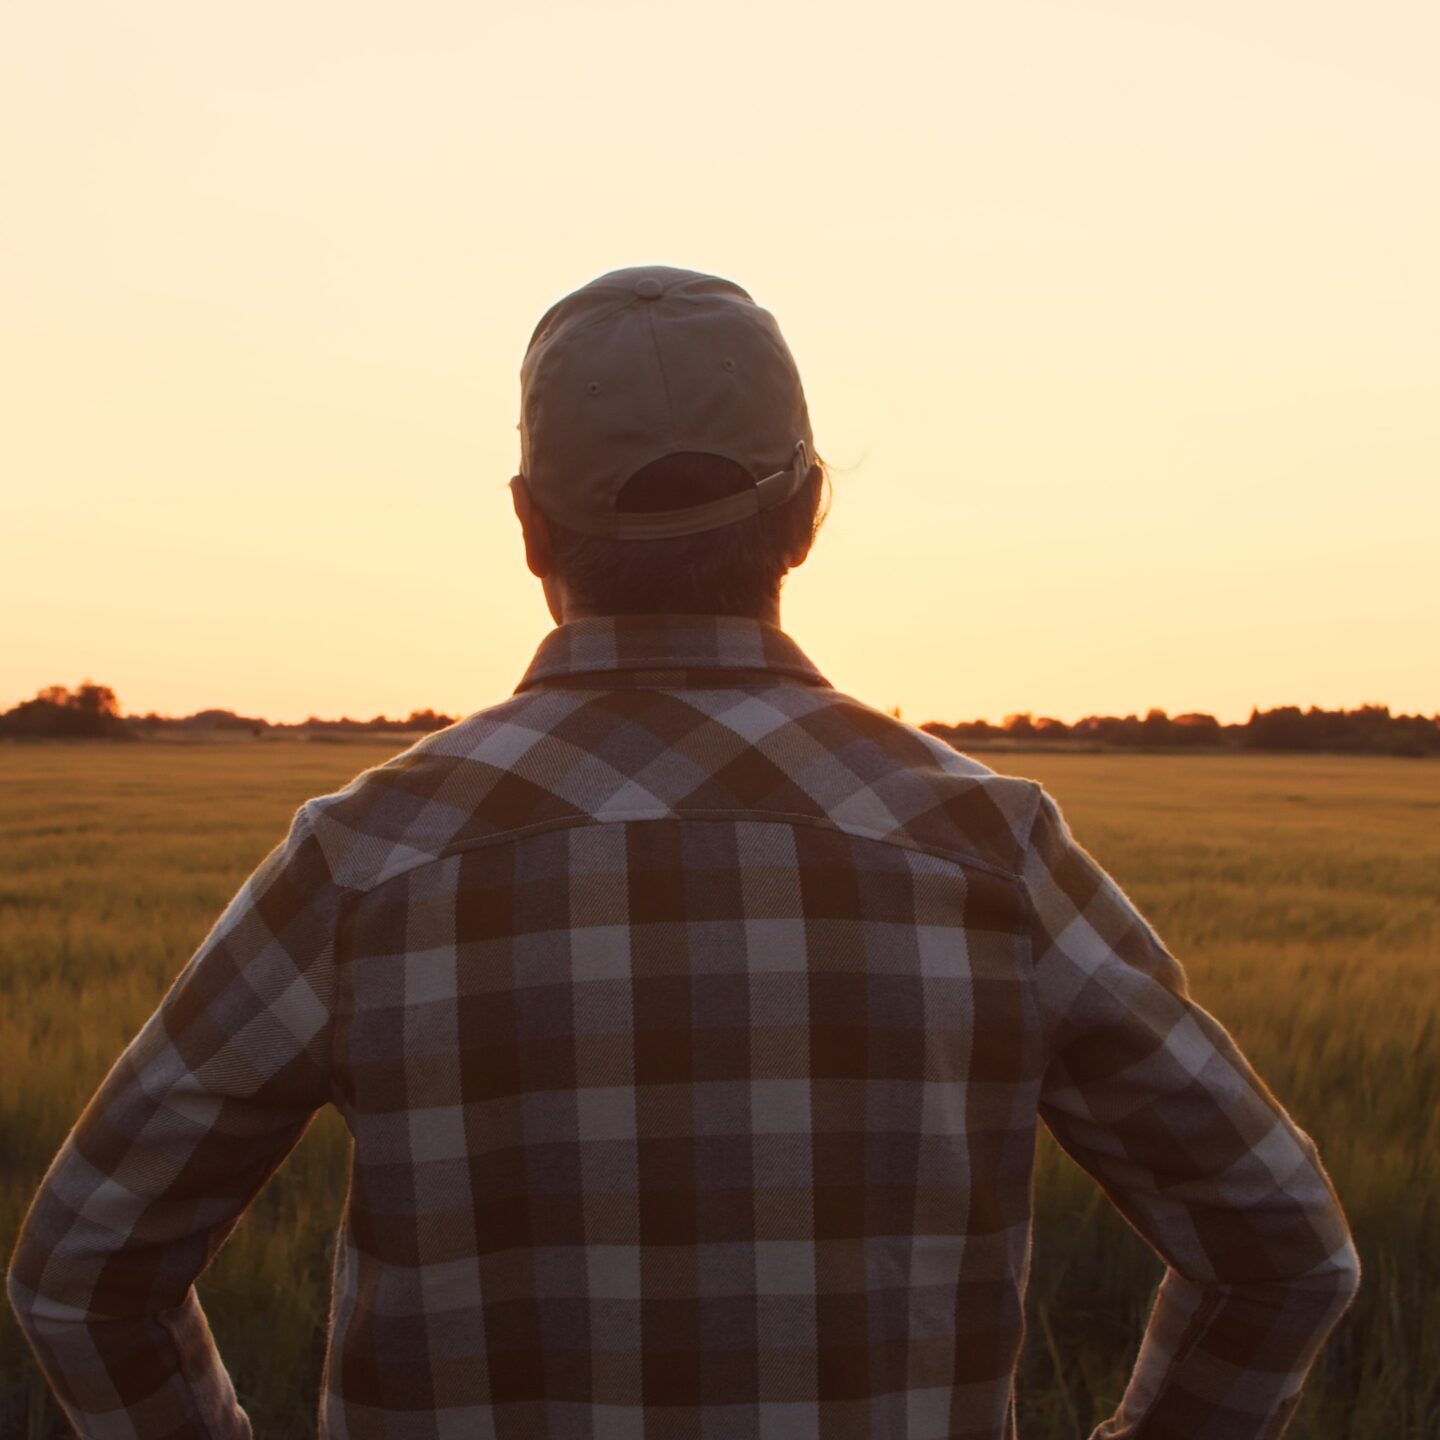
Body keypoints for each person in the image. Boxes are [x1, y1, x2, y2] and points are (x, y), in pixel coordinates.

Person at [9, 265, 1359, 1439]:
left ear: (531, 522)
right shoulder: (992, 857)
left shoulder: (365, 864)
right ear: (805, 516)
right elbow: (1284, 1255)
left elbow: (81, 1273)